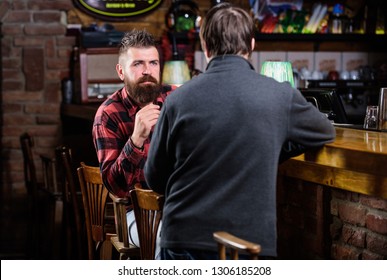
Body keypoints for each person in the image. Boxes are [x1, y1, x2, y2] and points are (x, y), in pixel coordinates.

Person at [144, 3, 336, 260]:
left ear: (205, 46)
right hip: (247, 245)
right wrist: (273, 146)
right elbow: (325, 131)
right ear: (252, 45)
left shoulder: (177, 100)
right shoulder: (279, 94)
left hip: (182, 238)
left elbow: (154, 178)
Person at [92, 29, 174, 258]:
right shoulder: (108, 114)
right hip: (134, 214)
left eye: (153, 63)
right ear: (121, 71)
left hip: (179, 204)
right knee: (169, 236)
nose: (147, 71)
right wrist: (136, 139)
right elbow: (114, 188)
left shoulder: (176, 99)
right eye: (138, 63)